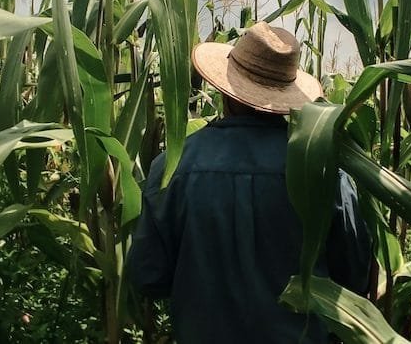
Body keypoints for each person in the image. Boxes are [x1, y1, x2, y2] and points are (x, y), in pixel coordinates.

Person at [127, 21, 372, 343]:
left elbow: (148, 277)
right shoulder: (324, 170)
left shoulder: (173, 166)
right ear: (287, 95)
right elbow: (355, 278)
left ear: (225, 89)